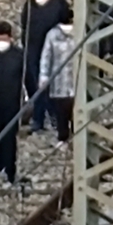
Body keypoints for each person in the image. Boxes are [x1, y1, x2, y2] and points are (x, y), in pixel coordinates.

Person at [20, 0, 70, 132]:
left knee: (55, 85)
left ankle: (56, 117)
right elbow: (25, 26)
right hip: (34, 50)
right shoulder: (29, 6)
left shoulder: (59, 4)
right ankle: (39, 119)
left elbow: (65, 24)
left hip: (55, 49)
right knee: (37, 86)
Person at [0, 22, 24, 183]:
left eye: (3, 39)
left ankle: (11, 170)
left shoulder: (19, 55)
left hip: (13, 103)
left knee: (10, 137)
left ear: (10, 38)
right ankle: (0, 163)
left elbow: (28, 78)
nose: (1, 43)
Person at [38, 9, 76, 144]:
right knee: (76, 111)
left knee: (61, 113)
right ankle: (76, 137)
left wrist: (43, 76)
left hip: (58, 82)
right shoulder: (80, 33)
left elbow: (46, 57)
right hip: (76, 81)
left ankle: (63, 137)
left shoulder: (52, 35)